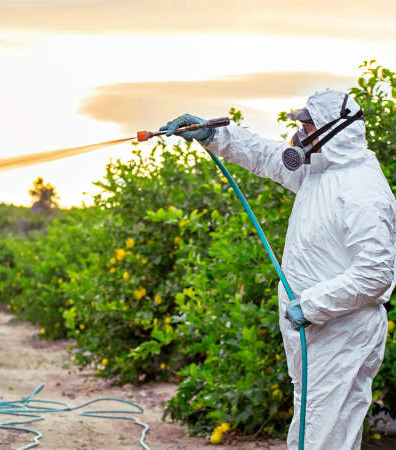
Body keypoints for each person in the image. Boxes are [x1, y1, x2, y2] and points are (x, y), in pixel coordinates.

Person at [161, 90, 396, 450]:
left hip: (341, 333)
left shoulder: (361, 188)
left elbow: (376, 273)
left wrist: (312, 305)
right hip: (319, 334)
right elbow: (269, 156)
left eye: (307, 125)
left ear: (336, 129)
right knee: (315, 428)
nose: (299, 134)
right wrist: (215, 135)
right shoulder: (322, 172)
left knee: (322, 436)